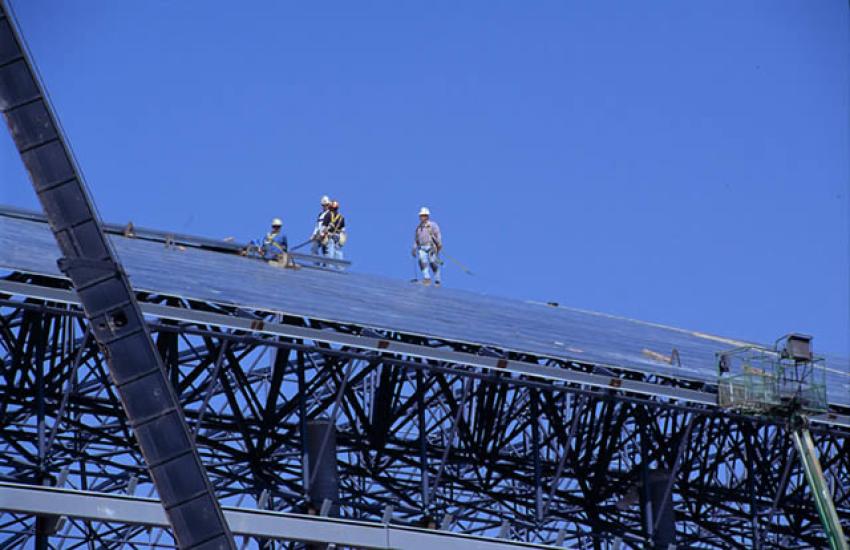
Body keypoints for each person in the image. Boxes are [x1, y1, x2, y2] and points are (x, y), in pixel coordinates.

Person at [412, 206, 441, 286]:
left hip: (431, 246)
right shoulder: (418, 228)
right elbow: (416, 239)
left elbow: (438, 234)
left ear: (427, 216)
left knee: (432, 262)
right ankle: (426, 278)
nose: (422, 217)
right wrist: (414, 248)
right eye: (421, 216)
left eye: (424, 215)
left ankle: (437, 279)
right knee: (422, 261)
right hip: (422, 247)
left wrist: (439, 244)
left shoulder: (432, 225)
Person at [321, 200, 346, 267]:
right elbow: (343, 230)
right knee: (337, 251)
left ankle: (329, 266)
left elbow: (323, 228)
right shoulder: (341, 217)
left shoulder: (328, 215)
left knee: (330, 250)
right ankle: (340, 267)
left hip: (330, 236)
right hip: (338, 237)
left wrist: (322, 234)